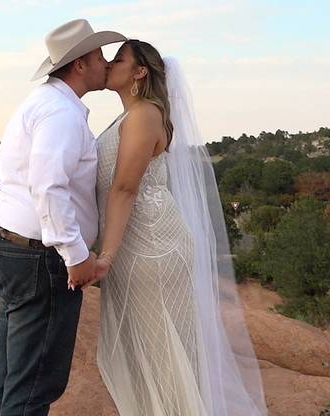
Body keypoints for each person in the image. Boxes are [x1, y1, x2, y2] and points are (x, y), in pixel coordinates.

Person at [94, 39, 267, 416]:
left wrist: (104, 255)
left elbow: (125, 187)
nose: (109, 64)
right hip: (131, 244)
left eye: (118, 59)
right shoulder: (128, 116)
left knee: (164, 356)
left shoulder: (145, 114)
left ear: (140, 72)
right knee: (146, 355)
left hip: (152, 246)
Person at [0, 18, 126, 416]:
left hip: (11, 244)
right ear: (79, 64)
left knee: (12, 372)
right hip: (39, 257)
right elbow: (48, 185)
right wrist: (75, 253)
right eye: (99, 56)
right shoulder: (60, 112)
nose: (105, 63)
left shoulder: (43, 103)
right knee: (34, 384)